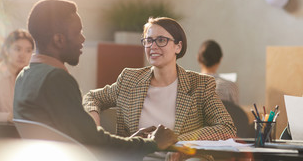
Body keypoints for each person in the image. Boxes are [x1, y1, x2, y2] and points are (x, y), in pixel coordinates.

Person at [13, 0, 177, 161]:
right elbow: (96, 144)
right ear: (58, 40)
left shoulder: (24, 76)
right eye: (78, 32)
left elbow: (84, 139)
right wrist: (151, 143)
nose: (82, 39)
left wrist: (134, 141)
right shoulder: (55, 79)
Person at [83, 17, 236, 144]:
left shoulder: (200, 85)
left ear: (178, 46)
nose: (153, 46)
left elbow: (226, 127)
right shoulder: (129, 79)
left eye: (161, 40)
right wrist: (94, 126)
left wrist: (174, 141)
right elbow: (92, 97)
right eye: (148, 40)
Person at [197, 40, 239, 105]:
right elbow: (236, 112)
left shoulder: (188, 86)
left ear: (198, 58)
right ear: (220, 59)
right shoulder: (230, 87)